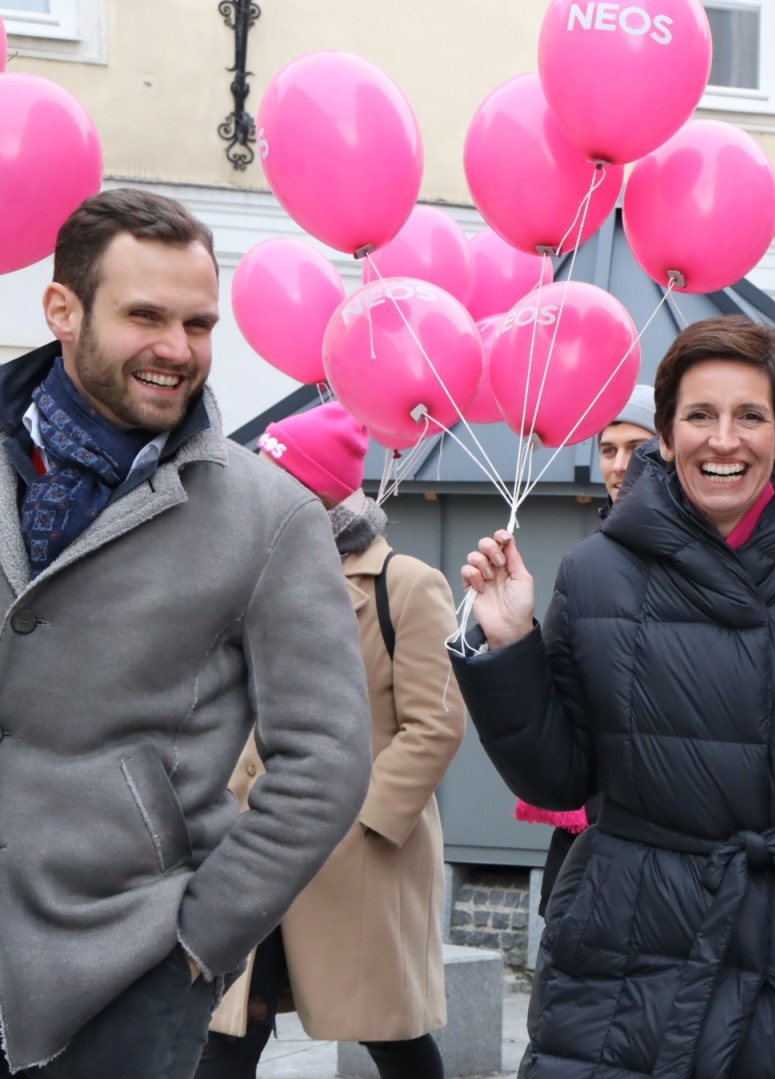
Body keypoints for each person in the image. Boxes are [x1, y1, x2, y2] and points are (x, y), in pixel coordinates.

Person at [450, 315, 775, 1077]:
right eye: (699, 415)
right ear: (665, 439)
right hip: (620, 957)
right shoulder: (596, 572)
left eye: (750, 416)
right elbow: (558, 779)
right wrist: (512, 648)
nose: (724, 439)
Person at [0, 190, 371, 1076]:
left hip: (125, 966)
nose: (178, 349)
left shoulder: (268, 514)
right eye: (146, 316)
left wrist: (202, 942)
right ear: (62, 310)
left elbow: (327, 756)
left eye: (198, 323)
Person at [198, 403, 466, 1079]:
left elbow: (435, 722)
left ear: (311, 488)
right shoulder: (251, 570)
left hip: (358, 853)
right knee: (234, 1021)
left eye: (270, 474)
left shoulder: (404, 583)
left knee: (390, 1033)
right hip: (256, 840)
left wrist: (360, 817)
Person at [516, 383, 660, 920]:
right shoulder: (586, 563)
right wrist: (510, 642)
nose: (619, 465)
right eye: (607, 449)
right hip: (591, 832)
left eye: (636, 447)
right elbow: (553, 697)